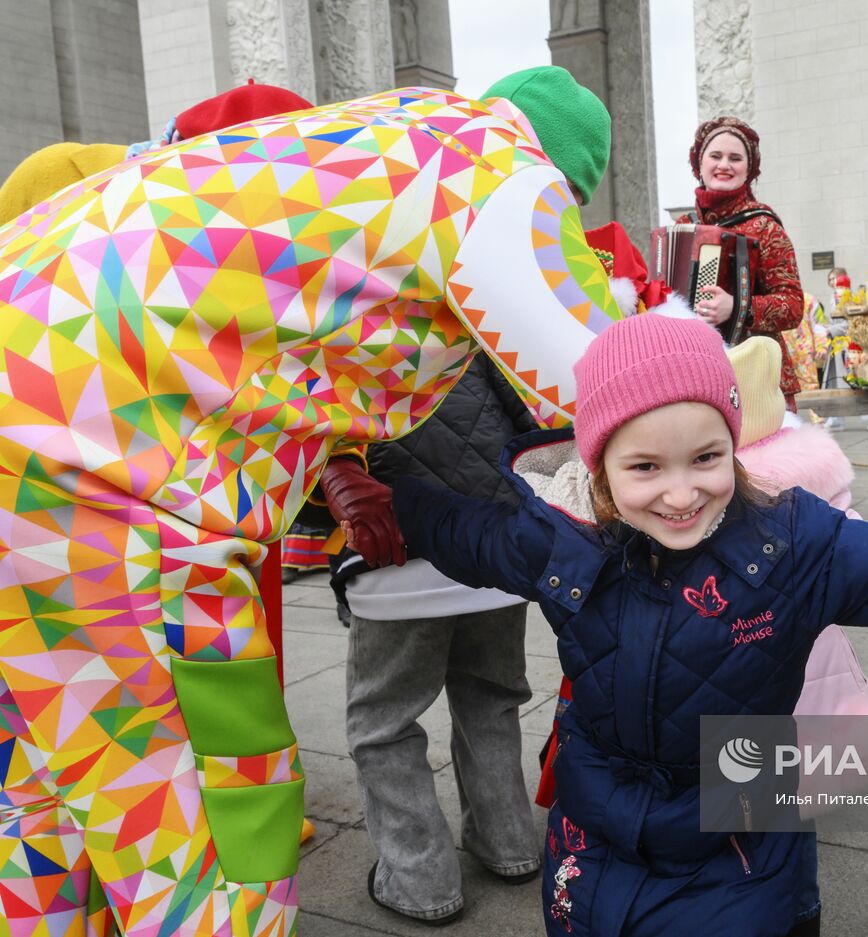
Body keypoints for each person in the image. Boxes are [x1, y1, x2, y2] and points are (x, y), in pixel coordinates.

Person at [0, 82, 622, 937]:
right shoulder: (498, 172)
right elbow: (618, 393)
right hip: (110, 470)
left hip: (39, 420)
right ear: (569, 177)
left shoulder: (388, 136)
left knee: (49, 796)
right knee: (215, 813)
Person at [379, 312, 868, 937]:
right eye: (644, 467)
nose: (681, 492)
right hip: (587, 850)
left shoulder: (792, 549)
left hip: (735, 854)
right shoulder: (561, 543)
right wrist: (367, 484)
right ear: (598, 467)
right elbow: (459, 529)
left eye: (706, 456)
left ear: (735, 445)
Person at [316, 65, 611, 927]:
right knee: (492, 694)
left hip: (397, 532)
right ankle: (512, 841)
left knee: (383, 715)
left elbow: (336, 383)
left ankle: (419, 878)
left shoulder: (397, 243)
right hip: (501, 539)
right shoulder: (559, 269)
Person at [681, 117, 805, 408]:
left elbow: (793, 306)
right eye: (715, 156)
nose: (724, 164)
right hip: (700, 372)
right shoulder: (684, 226)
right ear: (699, 164)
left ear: (748, 170)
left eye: (735, 158)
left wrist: (738, 307)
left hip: (758, 376)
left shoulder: (764, 226)